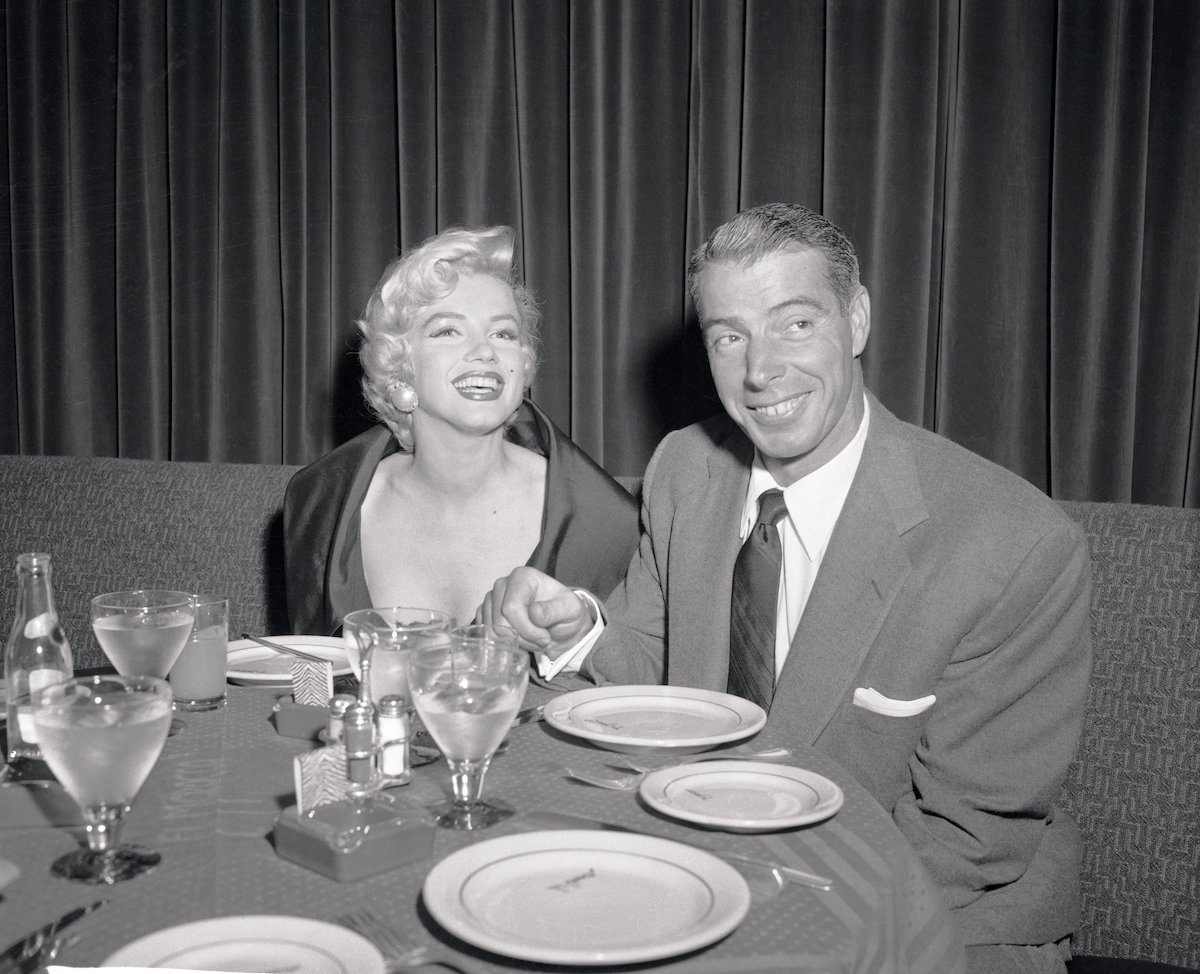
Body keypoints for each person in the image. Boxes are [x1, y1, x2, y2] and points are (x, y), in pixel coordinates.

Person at [484, 204, 1092, 973]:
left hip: (940, 910)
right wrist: (577, 631)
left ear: (858, 319)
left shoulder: (1014, 544)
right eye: (728, 336)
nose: (760, 370)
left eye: (795, 323)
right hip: (714, 862)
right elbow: (657, 667)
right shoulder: (687, 467)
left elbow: (968, 836)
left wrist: (752, 923)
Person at [284, 225, 639, 636]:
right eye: (448, 330)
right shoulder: (322, 504)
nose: (486, 351)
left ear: (522, 364)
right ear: (399, 367)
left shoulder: (603, 520)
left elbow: (631, 676)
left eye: (503, 333)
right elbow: (310, 682)